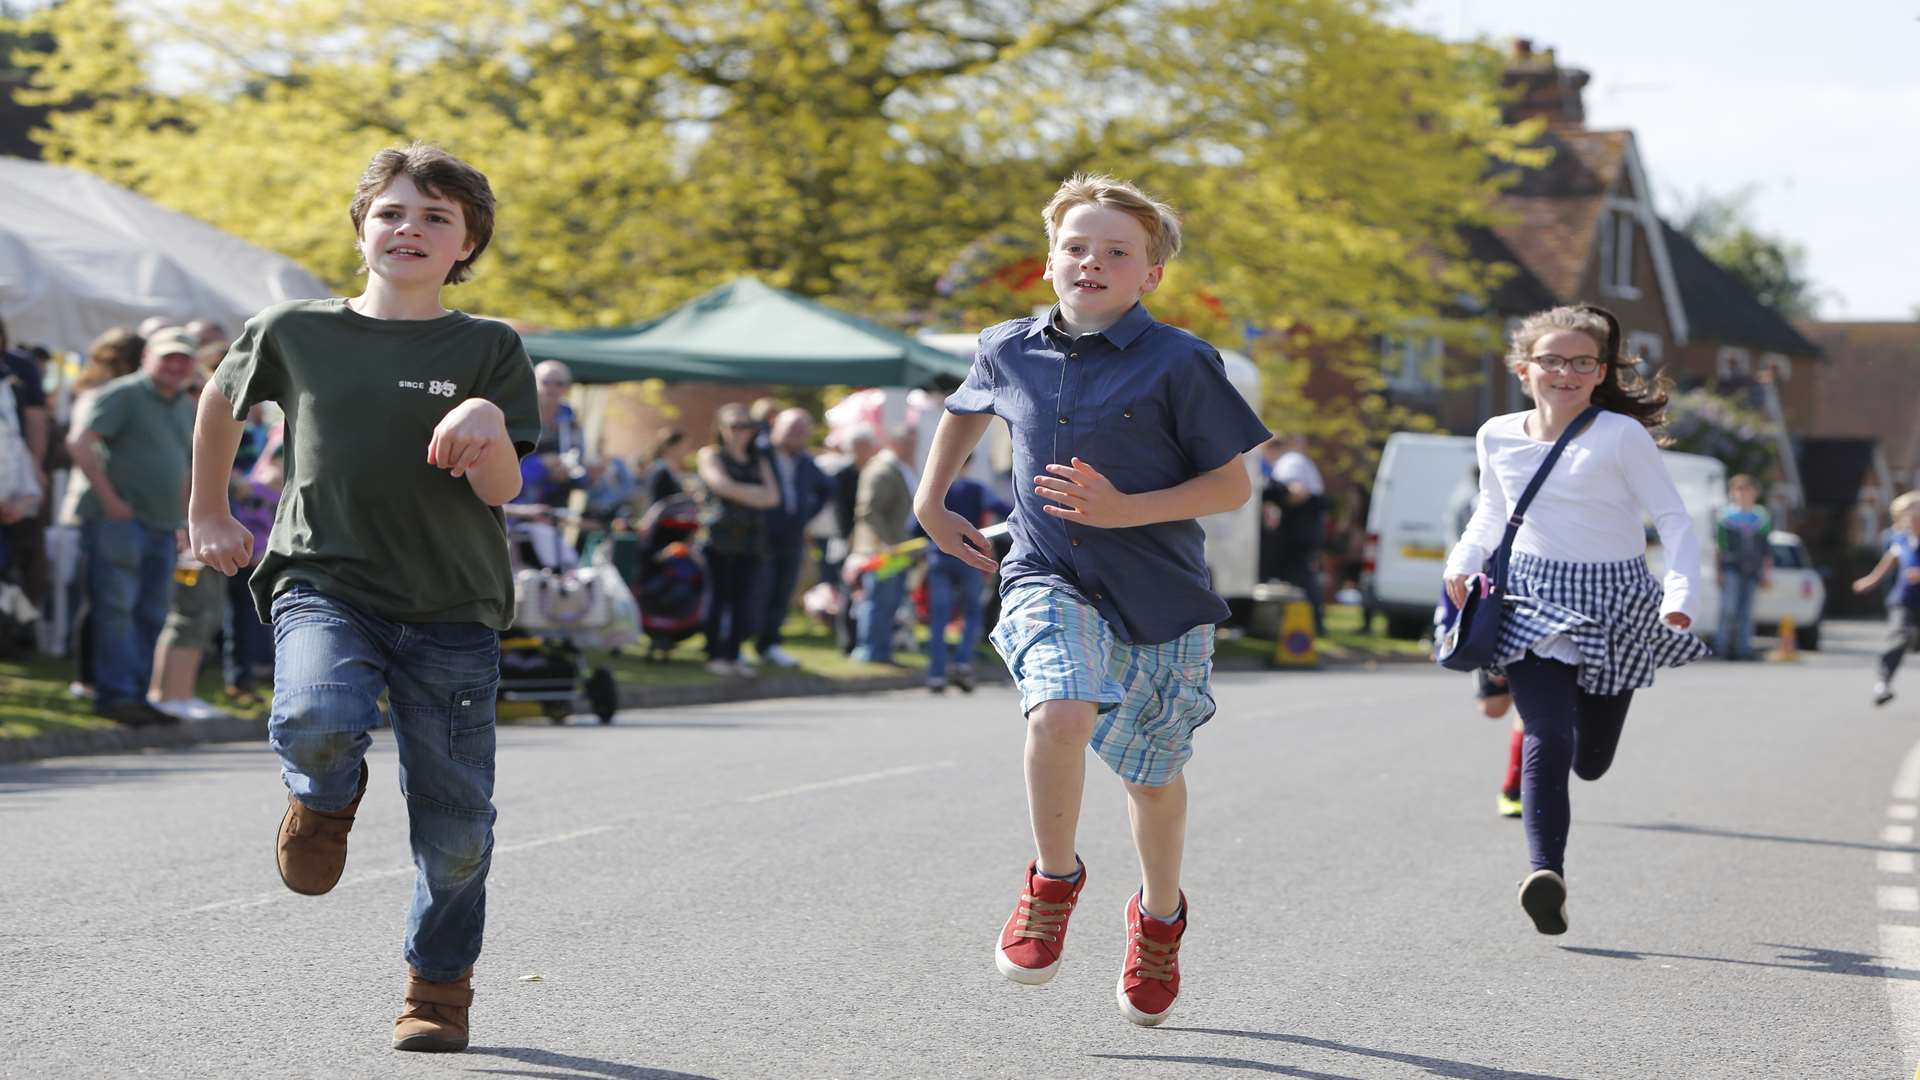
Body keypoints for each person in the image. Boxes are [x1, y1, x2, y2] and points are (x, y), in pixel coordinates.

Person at [188, 143, 540, 1053]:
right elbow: (221, 403)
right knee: (314, 714)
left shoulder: (488, 345)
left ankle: (438, 990)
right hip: (325, 578)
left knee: (458, 831)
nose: (410, 229)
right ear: (362, 227)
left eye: (436, 218)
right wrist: (210, 510)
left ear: (466, 244)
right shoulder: (293, 330)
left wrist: (488, 419)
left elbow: (499, 490)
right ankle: (323, 795)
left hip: (453, 605)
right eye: (392, 212)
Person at [916, 174, 1268, 1025]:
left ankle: (1158, 919)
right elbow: (968, 407)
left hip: (1159, 593)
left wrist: (1125, 510)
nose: (1093, 262)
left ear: (1149, 275)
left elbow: (1231, 487)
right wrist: (930, 500)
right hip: (1047, 571)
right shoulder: (1007, 346)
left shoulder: (1182, 360)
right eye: (1077, 246)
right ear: (1050, 261)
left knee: (1154, 781)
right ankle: (1052, 882)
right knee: (1060, 713)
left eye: (1117, 252)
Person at [1443, 304, 1708, 938]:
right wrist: (1462, 559)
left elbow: (1673, 519)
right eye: (1553, 360)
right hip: (1532, 599)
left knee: (1590, 760)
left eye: (1582, 362)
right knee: (1547, 736)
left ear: (1599, 372)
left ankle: (1568, 802)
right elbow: (1491, 511)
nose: (1566, 372)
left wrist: (1680, 592)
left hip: (1615, 598)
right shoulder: (1496, 434)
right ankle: (1546, 875)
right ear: (1523, 368)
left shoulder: (1620, 435)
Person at [66, 326, 199, 728]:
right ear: (146, 358)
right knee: (117, 609)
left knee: (152, 613)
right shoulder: (123, 393)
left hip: (161, 525)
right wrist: (110, 500)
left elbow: (182, 467)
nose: (176, 365)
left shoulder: (182, 403)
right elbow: (80, 442)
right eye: (167, 357)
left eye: (183, 358)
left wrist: (183, 520)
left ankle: (136, 696)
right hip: (118, 522)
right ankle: (115, 694)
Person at [55, 329, 145, 700]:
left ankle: (103, 676)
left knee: (109, 597)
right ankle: (89, 678)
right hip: (101, 506)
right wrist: (111, 497)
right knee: (104, 597)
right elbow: (85, 447)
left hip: (115, 506)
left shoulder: (109, 392)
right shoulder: (107, 395)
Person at [697, 402, 778, 677]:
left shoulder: (759, 459)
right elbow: (720, 485)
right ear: (721, 428)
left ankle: (734, 653)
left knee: (744, 599)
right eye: (734, 425)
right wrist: (753, 493)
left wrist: (740, 492)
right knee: (719, 597)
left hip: (751, 539)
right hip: (719, 539)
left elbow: (772, 497)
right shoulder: (711, 455)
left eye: (746, 426)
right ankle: (715, 653)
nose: (741, 432)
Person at [915, 456, 1008, 693]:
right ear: (970, 464)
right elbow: (1001, 508)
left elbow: (916, 527)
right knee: (972, 613)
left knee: (940, 617)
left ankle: (936, 674)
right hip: (969, 558)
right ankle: (962, 662)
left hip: (939, 558)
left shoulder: (936, 493)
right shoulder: (976, 489)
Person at [755, 408, 833, 668]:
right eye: (791, 428)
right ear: (776, 426)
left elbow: (825, 489)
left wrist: (805, 515)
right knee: (756, 589)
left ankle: (769, 644)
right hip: (758, 533)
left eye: (801, 430)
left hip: (791, 535)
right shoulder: (759, 452)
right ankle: (736, 643)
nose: (796, 435)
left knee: (782, 588)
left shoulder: (805, 461)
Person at [849, 426, 914, 665]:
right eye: (907, 441)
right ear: (893, 443)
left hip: (895, 549)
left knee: (889, 602)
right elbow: (868, 511)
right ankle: (871, 652)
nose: (912, 447)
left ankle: (881, 651)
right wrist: (886, 542)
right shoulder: (882, 470)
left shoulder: (896, 469)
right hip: (881, 549)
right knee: (877, 602)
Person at [1853, 491, 1920, 707]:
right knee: (1898, 637)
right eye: (1910, 515)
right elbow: (1888, 562)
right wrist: (1870, 581)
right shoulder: (1899, 539)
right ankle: (1883, 683)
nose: (1913, 519)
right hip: (1904, 599)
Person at [1268, 433, 1327, 634]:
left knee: (1299, 575)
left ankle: (1310, 624)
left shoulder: (1290, 461)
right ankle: (1311, 623)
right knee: (1303, 574)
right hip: (1309, 525)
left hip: (1298, 527)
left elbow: (1297, 491)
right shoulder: (1303, 461)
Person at [1713, 474, 1773, 661]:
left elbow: (1766, 548)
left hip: (1753, 569)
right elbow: (1720, 548)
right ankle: (1722, 647)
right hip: (1731, 568)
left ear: (1754, 493)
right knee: (1729, 610)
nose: (1743, 494)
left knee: (1746, 612)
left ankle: (1743, 649)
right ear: (1733, 493)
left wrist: (1766, 572)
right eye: (1739, 490)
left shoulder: (1761, 517)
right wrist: (1719, 571)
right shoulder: (1725, 517)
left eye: (1747, 490)